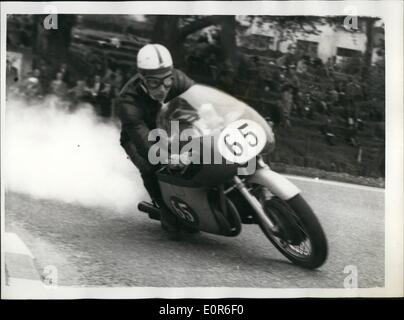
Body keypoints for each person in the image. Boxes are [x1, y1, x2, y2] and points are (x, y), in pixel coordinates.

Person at [116, 44, 195, 239]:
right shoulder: (127, 101)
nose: (161, 89)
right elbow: (144, 143)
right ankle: (166, 209)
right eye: (153, 83)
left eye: (166, 82)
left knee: (199, 149)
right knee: (151, 167)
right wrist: (167, 158)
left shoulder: (179, 79)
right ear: (142, 79)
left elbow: (200, 102)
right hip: (139, 137)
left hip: (170, 127)